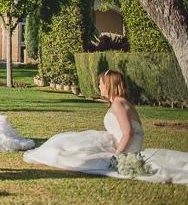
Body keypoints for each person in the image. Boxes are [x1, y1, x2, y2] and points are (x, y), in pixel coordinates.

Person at [24, 70, 188, 184]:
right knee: (68, 143)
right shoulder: (121, 103)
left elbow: (128, 133)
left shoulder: (119, 104)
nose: (99, 87)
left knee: (74, 154)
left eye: (101, 84)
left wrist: (117, 155)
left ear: (109, 85)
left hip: (123, 150)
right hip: (123, 147)